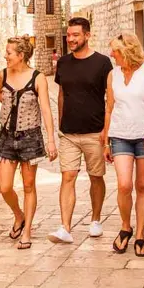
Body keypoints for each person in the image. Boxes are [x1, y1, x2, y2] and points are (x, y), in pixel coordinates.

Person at [0, 37, 58, 249]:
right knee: (5, 186)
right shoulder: (2, 74)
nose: (5, 55)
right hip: (6, 137)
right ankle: (18, 215)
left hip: (30, 137)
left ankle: (26, 231)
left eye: (9, 52)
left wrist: (51, 140)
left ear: (21, 56)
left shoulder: (37, 78)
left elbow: (46, 109)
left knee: (29, 186)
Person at [48, 17, 112, 243]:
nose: (71, 39)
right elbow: (62, 94)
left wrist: (107, 130)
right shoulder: (63, 63)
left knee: (96, 177)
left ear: (87, 35)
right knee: (68, 177)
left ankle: (95, 220)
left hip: (95, 132)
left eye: (75, 35)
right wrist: (61, 123)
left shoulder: (103, 63)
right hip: (69, 133)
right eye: (69, 35)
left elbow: (111, 99)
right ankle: (65, 227)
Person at [102, 33, 144, 256]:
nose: (111, 54)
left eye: (115, 51)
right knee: (124, 184)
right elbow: (109, 107)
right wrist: (106, 141)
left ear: (127, 51)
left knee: (142, 186)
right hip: (119, 135)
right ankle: (126, 227)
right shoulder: (112, 75)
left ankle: (140, 235)